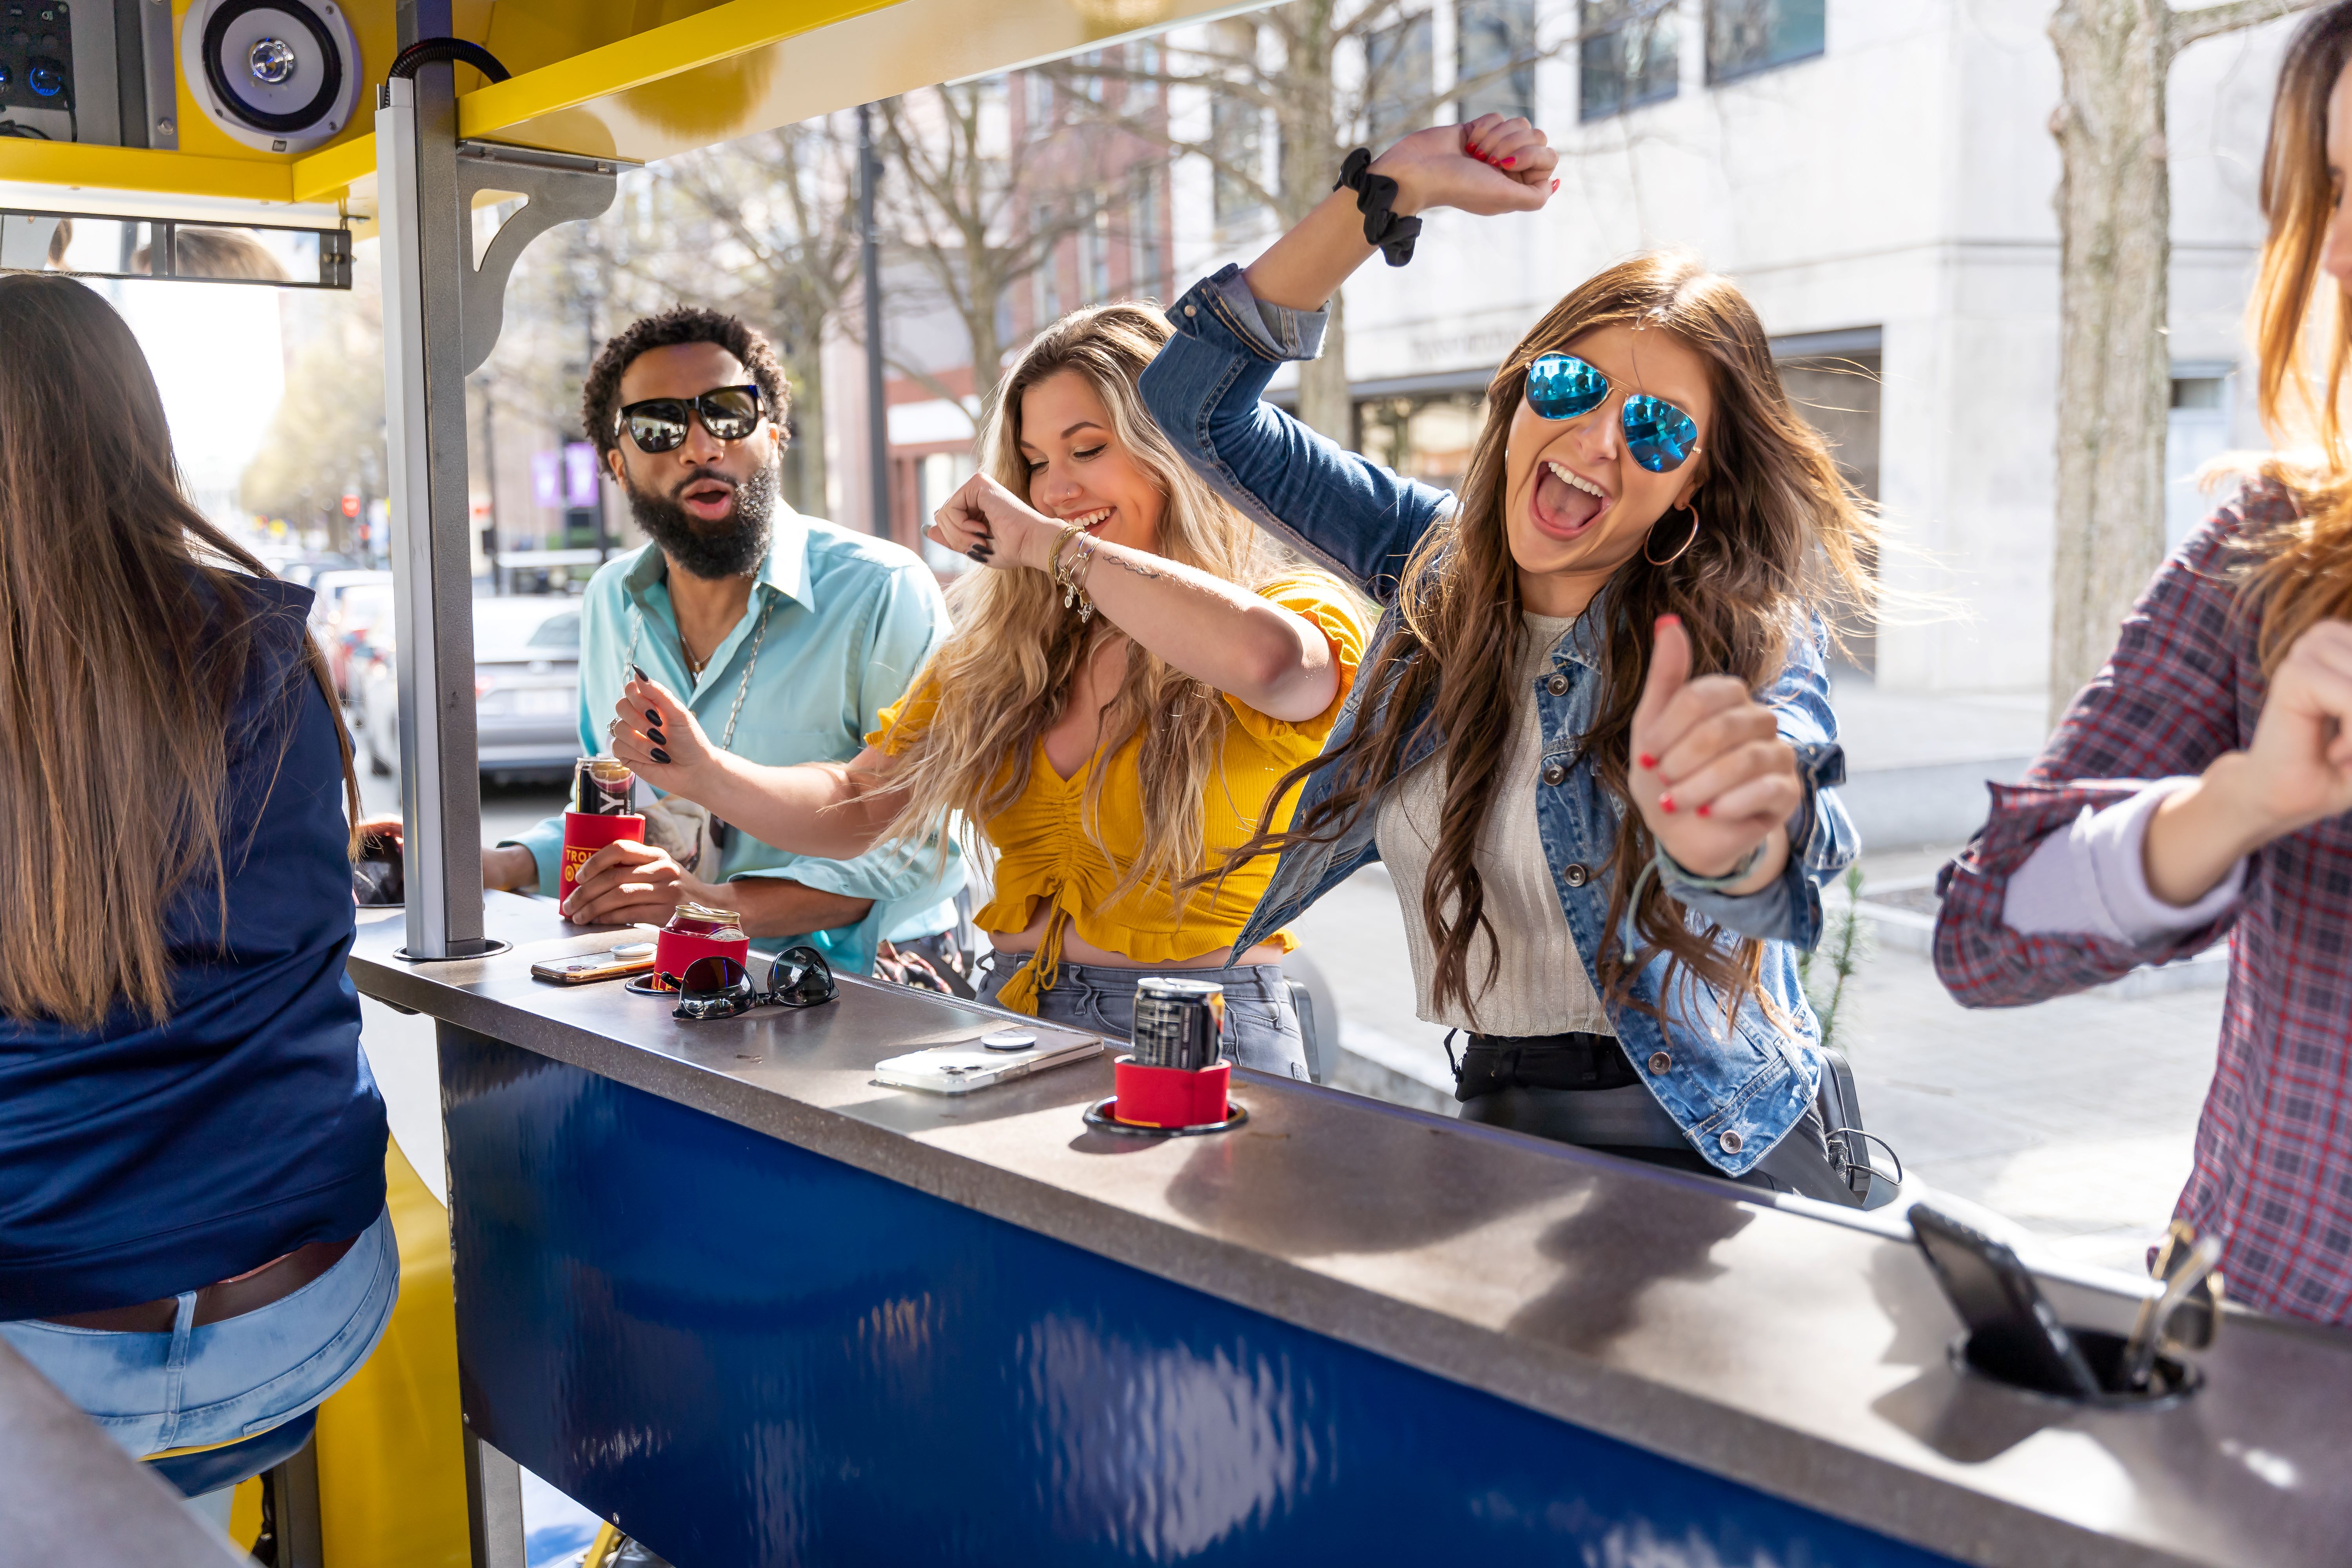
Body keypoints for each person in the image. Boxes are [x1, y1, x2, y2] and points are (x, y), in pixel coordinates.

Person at [1140, 116, 1878, 1201]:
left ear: (1694, 489)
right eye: (1576, 390)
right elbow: (1191, 399)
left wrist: (1740, 844)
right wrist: (1387, 194)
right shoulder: (1431, 566)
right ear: (1523, 387)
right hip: (1498, 1124)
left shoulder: (1738, 636)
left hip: (1717, 1145)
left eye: (1660, 433)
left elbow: (1797, 827)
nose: (1597, 443)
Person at [606, 303, 1367, 1078]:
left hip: (1204, 1027)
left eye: (1088, 448)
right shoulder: (1009, 644)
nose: (1057, 487)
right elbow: (861, 801)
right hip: (1012, 1016)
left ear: (1174, 447)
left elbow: (1276, 666)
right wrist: (706, 772)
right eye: (1035, 461)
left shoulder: (1287, 604)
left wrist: (1051, 545)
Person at [1935, 4, 2352, 1321]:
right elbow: (1983, 930)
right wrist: (2241, 802)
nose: (2339, 247)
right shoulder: (2273, 553)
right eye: (2334, 190)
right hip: (2263, 1356)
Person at [0, 276, 398, 1466]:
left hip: (40, 1339)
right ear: (136, 432)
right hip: (295, 1309)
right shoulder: (258, 647)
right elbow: (276, 906)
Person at [475, 307, 967, 982]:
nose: (701, 447)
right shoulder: (609, 599)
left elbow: (918, 844)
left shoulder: (883, 589)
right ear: (618, 465)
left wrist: (711, 905)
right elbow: (619, 807)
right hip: (675, 975)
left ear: (775, 434)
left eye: (729, 413)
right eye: (659, 425)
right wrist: (504, 866)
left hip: (866, 985)